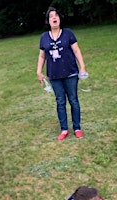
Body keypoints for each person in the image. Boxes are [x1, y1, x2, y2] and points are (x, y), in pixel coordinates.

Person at [36, 7, 88, 141]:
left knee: (73, 100)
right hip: (54, 76)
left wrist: (82, 67)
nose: (54, 18)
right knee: (60, 102)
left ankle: (77, 128)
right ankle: (64, 129)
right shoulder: (44, 37)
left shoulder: (68, 33)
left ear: (59, 19)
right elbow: (42, 56)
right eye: (51, 16)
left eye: (56, 15)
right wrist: (39, 71)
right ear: (48, 21)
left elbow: (76, 50)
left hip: (70, 73)